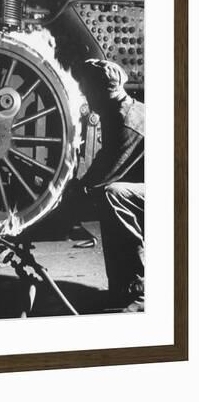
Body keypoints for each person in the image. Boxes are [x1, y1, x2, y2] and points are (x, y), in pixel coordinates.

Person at [74, 59, 145, 312]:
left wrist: (66, 197)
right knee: (111, 196)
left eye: (87, 90)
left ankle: (139, 293)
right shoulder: (117, 111)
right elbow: (105, 162)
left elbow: (105, 173)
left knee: (114, 195)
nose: (84, 96)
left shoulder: (126, 121)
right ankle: (121, 290)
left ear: (104, 91)